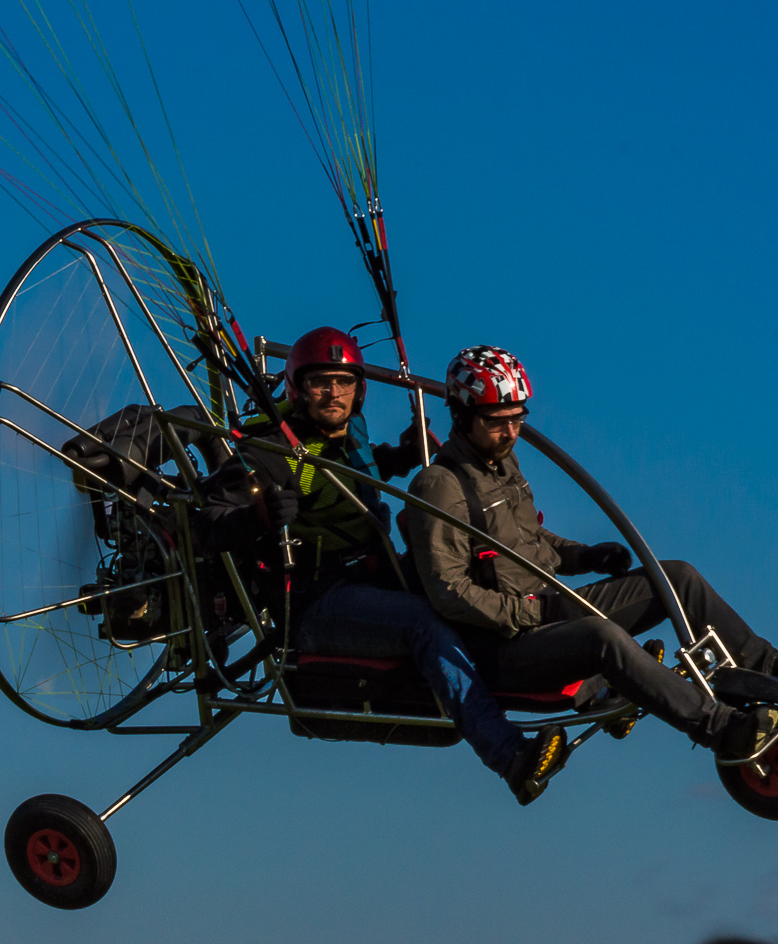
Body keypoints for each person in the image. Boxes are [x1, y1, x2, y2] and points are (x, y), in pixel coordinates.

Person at [402, 345, 778, 764]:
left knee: (675, 577)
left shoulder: (503, 463)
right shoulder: (438, 487)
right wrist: (521, 615)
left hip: (546, 610)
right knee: (602, 636)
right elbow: (448, 590)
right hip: (506, 648)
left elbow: (530, 540)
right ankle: (723, 729)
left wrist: (587, 557)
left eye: (519, 419)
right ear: (462, 416)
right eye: (499, 421)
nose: (512, 433)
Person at [199, 326, 568, 804]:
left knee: (472, 578)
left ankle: (583, 676)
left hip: (372, 575)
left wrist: (400, 455)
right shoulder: (269, 451)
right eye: (321, 383)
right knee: (423, 622)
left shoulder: (349, 433)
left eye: (344, 382)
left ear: (359, 389)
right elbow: (208, 523)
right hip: (316, 604)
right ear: (297, 388)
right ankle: (513, 759)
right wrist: (260, 516)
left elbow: (350, 471)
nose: (334, 393)